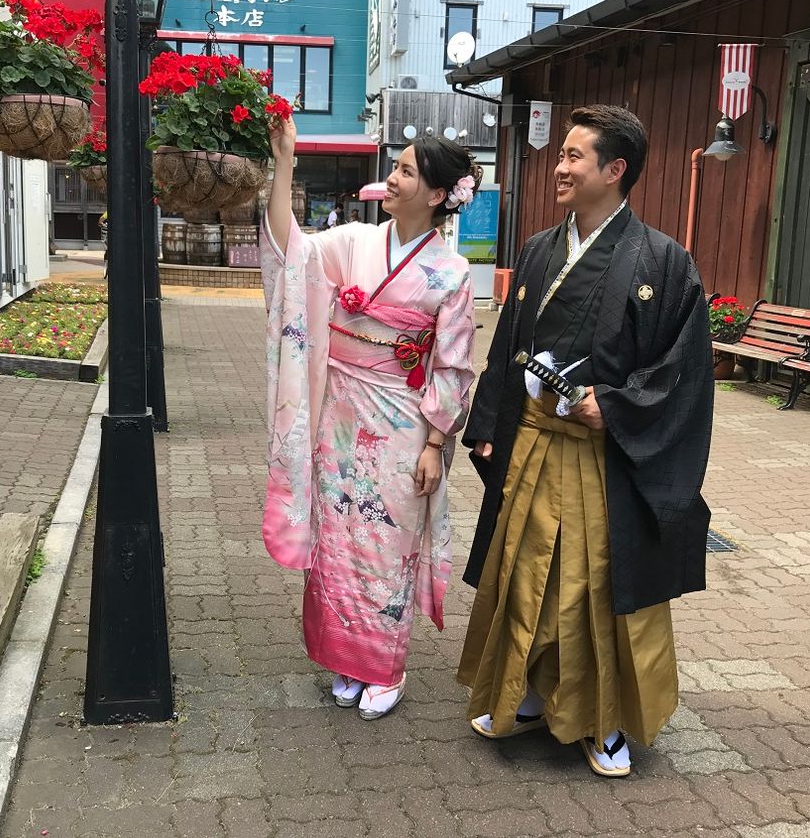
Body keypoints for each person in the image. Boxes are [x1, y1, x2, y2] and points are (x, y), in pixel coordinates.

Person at [457, 104, 713, 777]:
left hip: (607, 456)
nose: (560, 167)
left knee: (595, 587)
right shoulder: (540, 249)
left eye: (574, 156)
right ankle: (529, 691)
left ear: (615, 169)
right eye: (562, 155)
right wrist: (488, 423)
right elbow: (508, 346)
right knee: (525, 575)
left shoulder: (663, 260)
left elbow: (684, 370)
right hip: (534, 442)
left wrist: (620, 405)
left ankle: (607, 719)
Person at [260, 115, 480, 720]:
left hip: (401, 421)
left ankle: (385, 667)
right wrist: (285, 162)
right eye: (395, 167)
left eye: (406, 171)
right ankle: (345, 659)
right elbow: (290, 255)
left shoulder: (452, 272)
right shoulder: (354, 241)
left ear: (437, 194)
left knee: (387, 543)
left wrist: (435, 443)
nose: (393, 178)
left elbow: (454, 364)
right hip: (339, 411)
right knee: (338, 538)